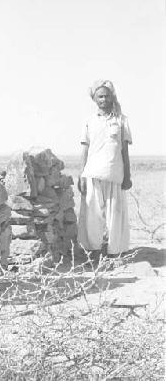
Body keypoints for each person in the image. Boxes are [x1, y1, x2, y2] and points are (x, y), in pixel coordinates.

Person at [77, 80, 132, 259]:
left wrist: (128, 175)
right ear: (94, 98)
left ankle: (115, 253)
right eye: (100, 96)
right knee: (92, 216)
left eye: (107, 95)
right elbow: (85, 149)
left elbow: (124, 150)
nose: (104, 99)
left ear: (112, 97)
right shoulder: (89, 121)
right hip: (92, 173)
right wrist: (81, 174)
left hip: (115, 174)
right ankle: (94, 252)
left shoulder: (121, 120)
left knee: (115, 215)